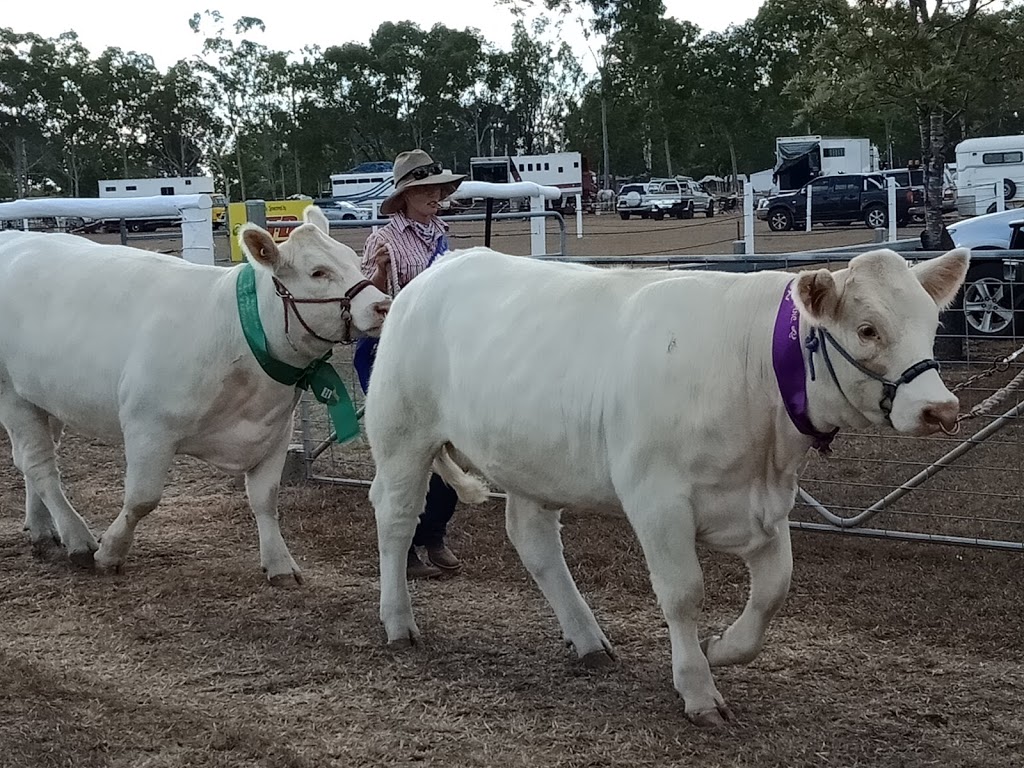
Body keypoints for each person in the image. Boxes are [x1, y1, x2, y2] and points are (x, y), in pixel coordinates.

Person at [353, 149, 467, 580]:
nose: (434, 194)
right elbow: (368, 299)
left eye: (437, 188)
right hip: (388, 351)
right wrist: (380, 274)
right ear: (406, 196)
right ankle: (402, 546)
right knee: (405, 449)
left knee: (449, 445)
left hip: (435, 351)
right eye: (424, 189)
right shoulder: (382, 240)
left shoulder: (442, 234)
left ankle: (433, 532)